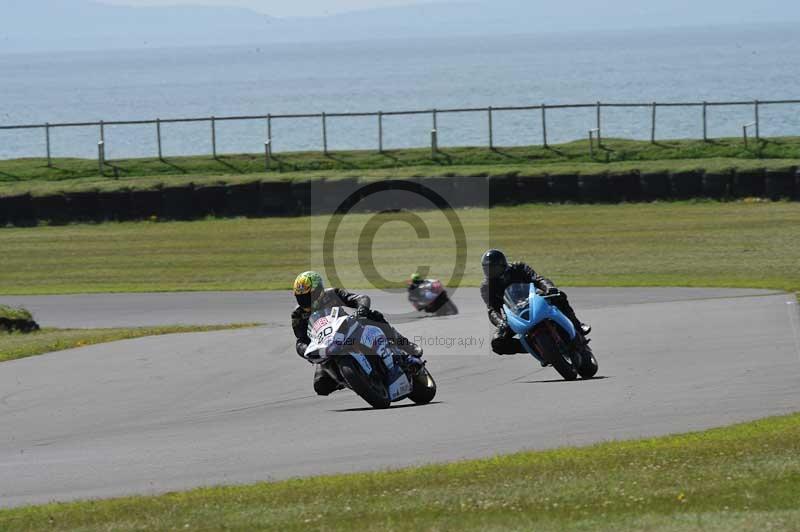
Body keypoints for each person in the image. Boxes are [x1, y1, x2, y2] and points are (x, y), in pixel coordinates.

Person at [291, 271, 423, 396]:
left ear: (318, 291)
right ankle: (349, 378)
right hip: (327, 346)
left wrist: (361, 311)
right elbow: (301, 339)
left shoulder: (332, 294)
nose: (304, 300)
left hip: (347, 329)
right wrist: (305, 350)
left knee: (373, 316)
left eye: (308, 296)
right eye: (301, 297)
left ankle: (405, 345)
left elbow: (360, 298)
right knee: (321, 386)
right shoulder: (298, 315)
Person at [479, 249, 591, 355]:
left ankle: (577, 326)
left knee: (559, 296)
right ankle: (534, 347)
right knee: (497, 343)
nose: (490, 272)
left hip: (535, 300)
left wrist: (549, 288)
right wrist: (500, 322)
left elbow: (538, 279)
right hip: (514, 314)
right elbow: (492, 309)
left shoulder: (519, 267)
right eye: (487, 269)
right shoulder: (486, 286)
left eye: (493, 268)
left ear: (503, 264)